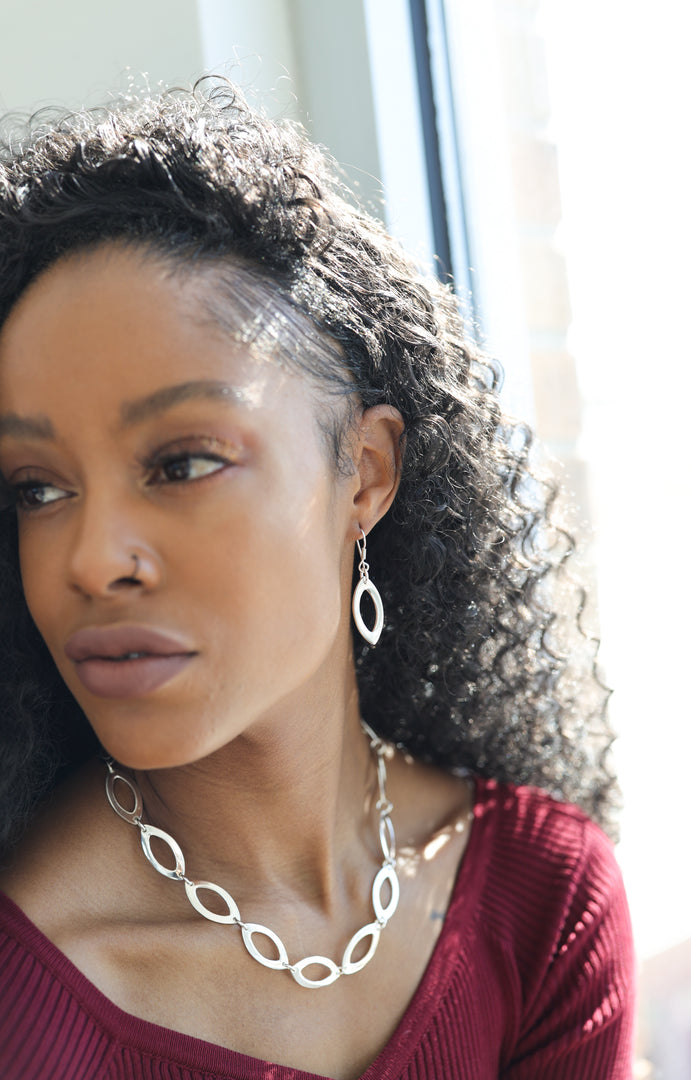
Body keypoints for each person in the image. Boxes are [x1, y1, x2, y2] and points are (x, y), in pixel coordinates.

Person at [0, 80, 635, 1079]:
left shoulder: (538, 896)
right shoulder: (27, 989)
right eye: (37, 488)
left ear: (365, 475)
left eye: (182, 463)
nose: (89, 559)